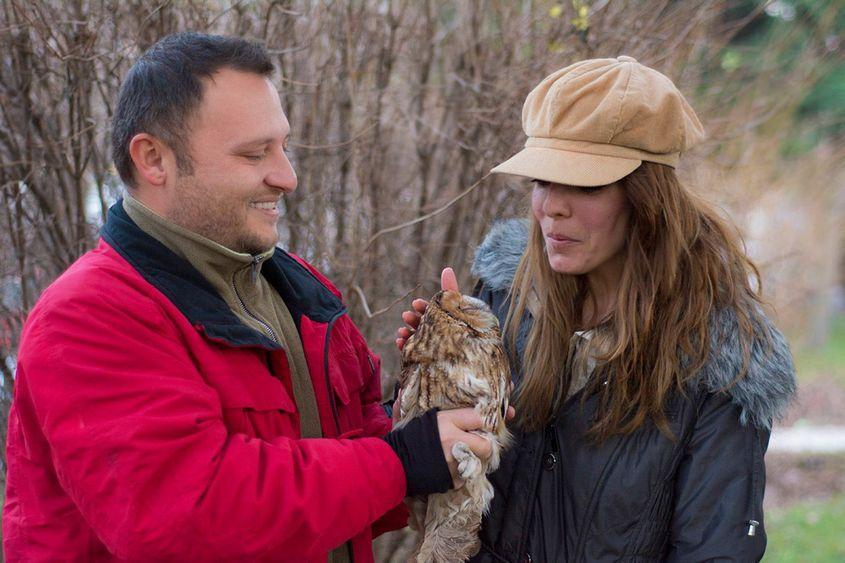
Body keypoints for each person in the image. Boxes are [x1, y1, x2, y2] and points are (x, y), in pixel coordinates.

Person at [3, 32, 497, 562]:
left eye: (283, 147)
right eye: (253, 153)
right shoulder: (86, 318)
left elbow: (355, 477)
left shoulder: (295, 290)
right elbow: (189, 520)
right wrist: (402, 459)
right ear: (153, 159)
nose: (287, 176)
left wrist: (442, 409)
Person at [398, 56, 797, 562]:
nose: (552, 207)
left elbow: (713, 549)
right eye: (542, 181)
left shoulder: (719, 362)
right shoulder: (506, 298)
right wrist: (432, 377)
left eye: (585, 185)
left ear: (647, 200)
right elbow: (453, 491)